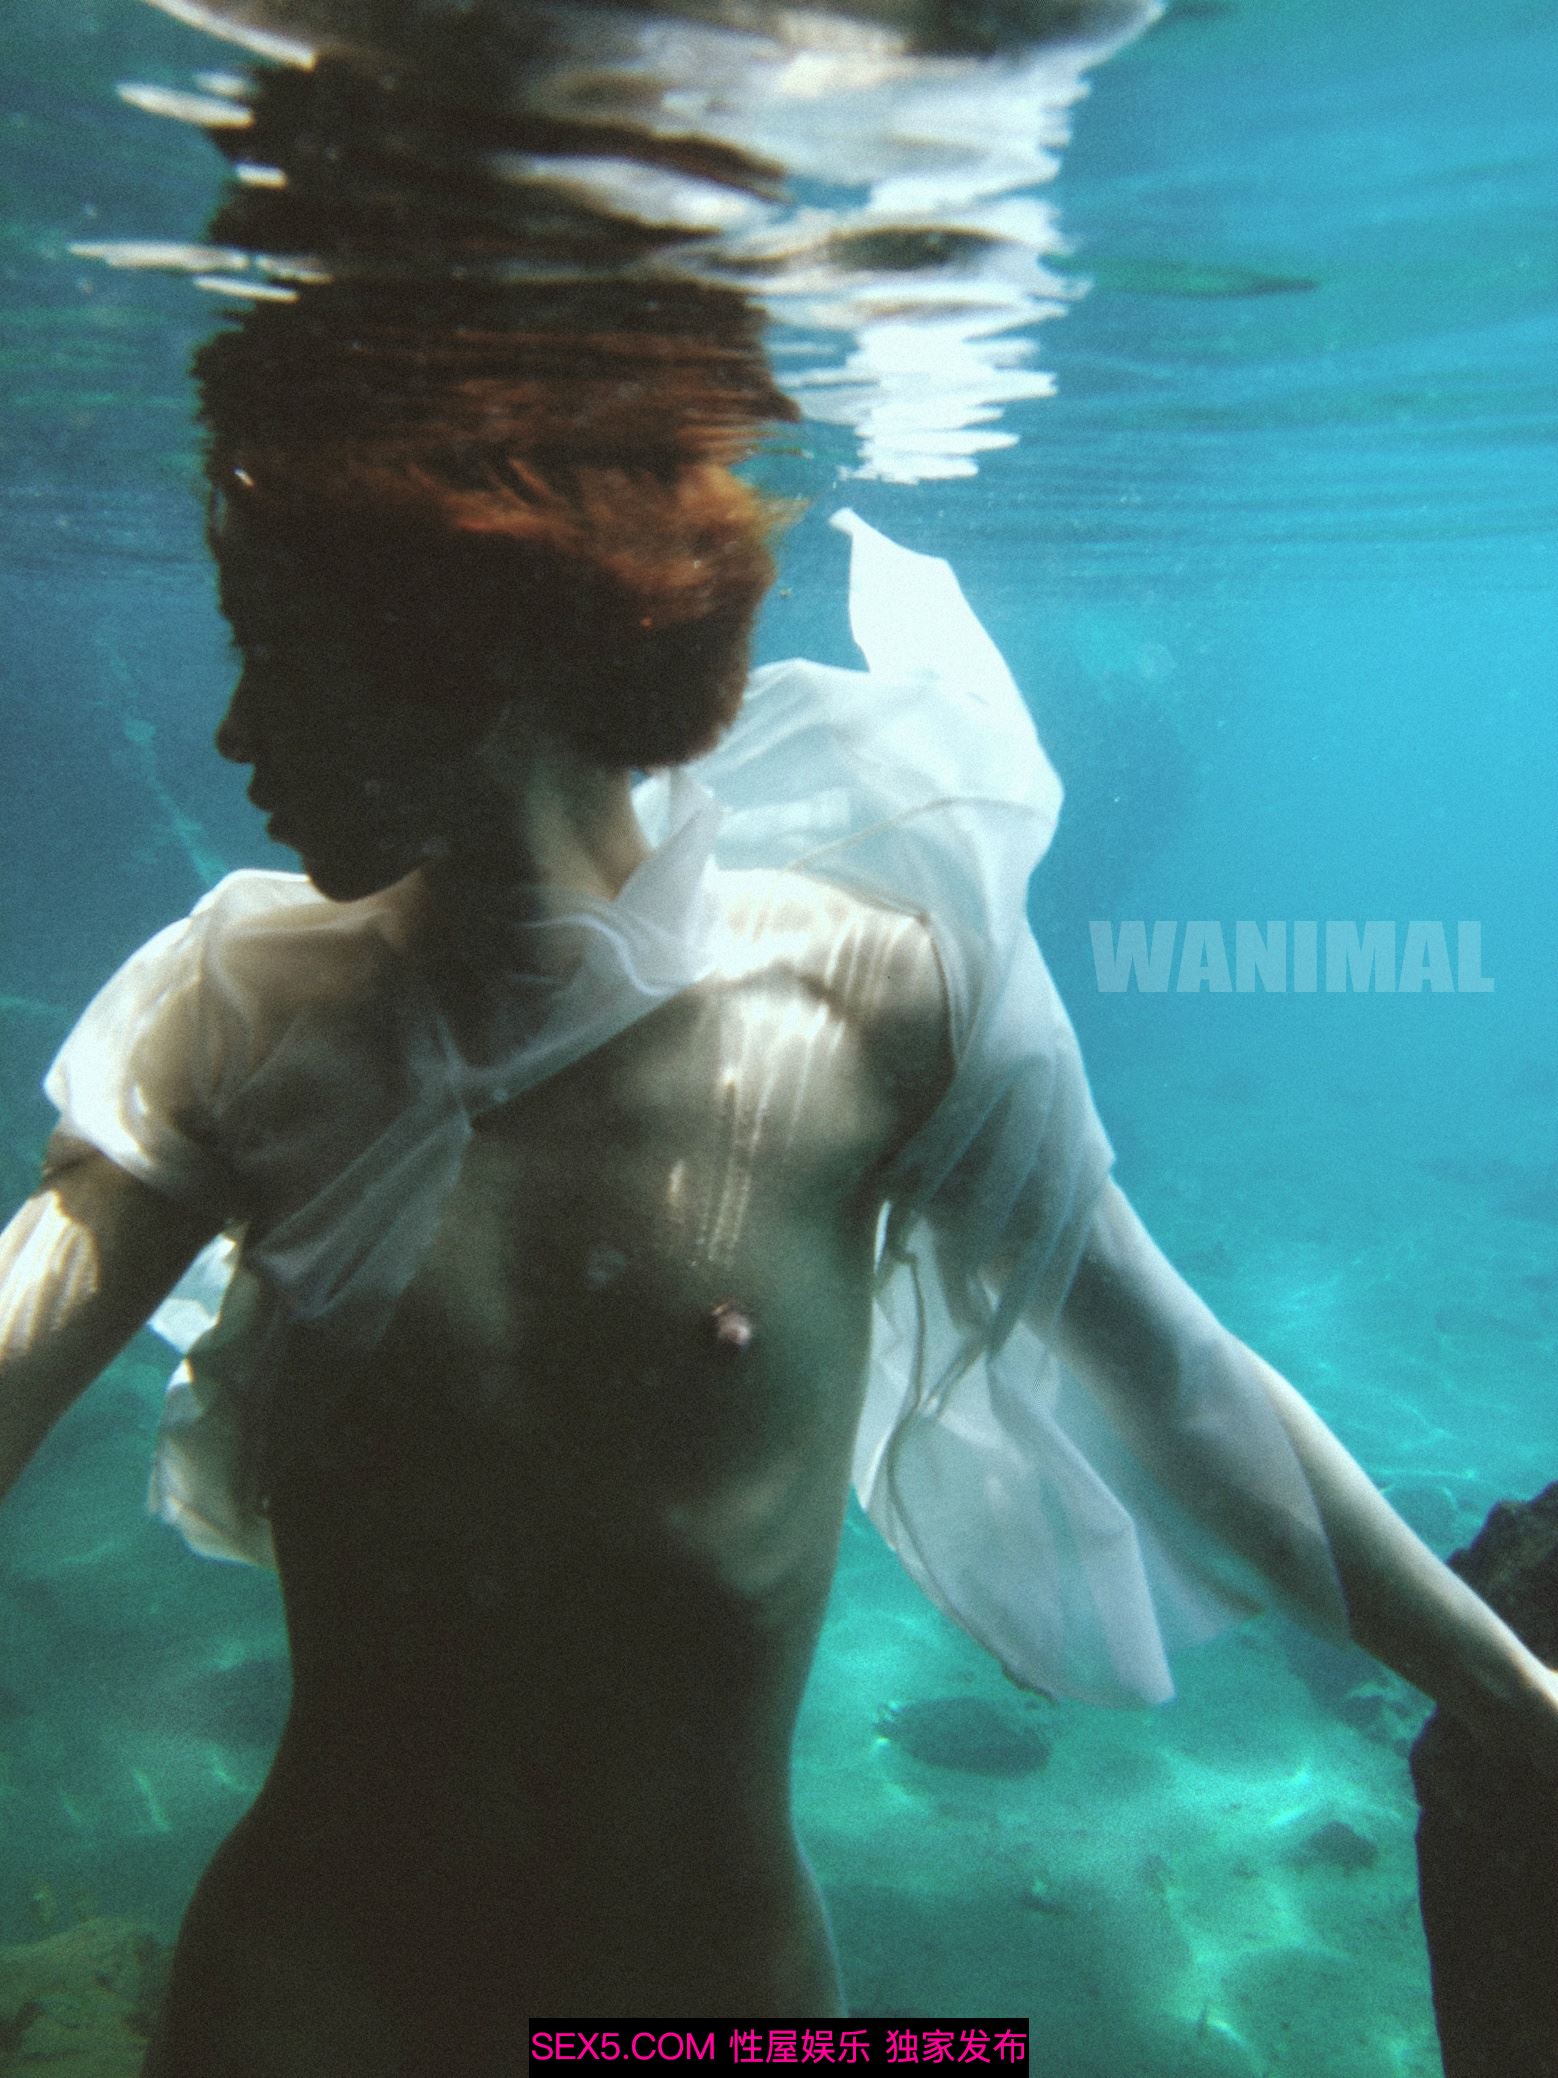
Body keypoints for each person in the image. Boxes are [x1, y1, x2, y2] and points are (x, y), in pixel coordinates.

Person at [2, 438, 1556, 2073]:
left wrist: (1518, 1704)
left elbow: (1182, 1390)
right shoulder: (236, 1017)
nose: (232, 732)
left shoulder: (873, 1002)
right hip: (311, 2001)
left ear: (477, 649)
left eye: (280, 652)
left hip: (707, 2002)